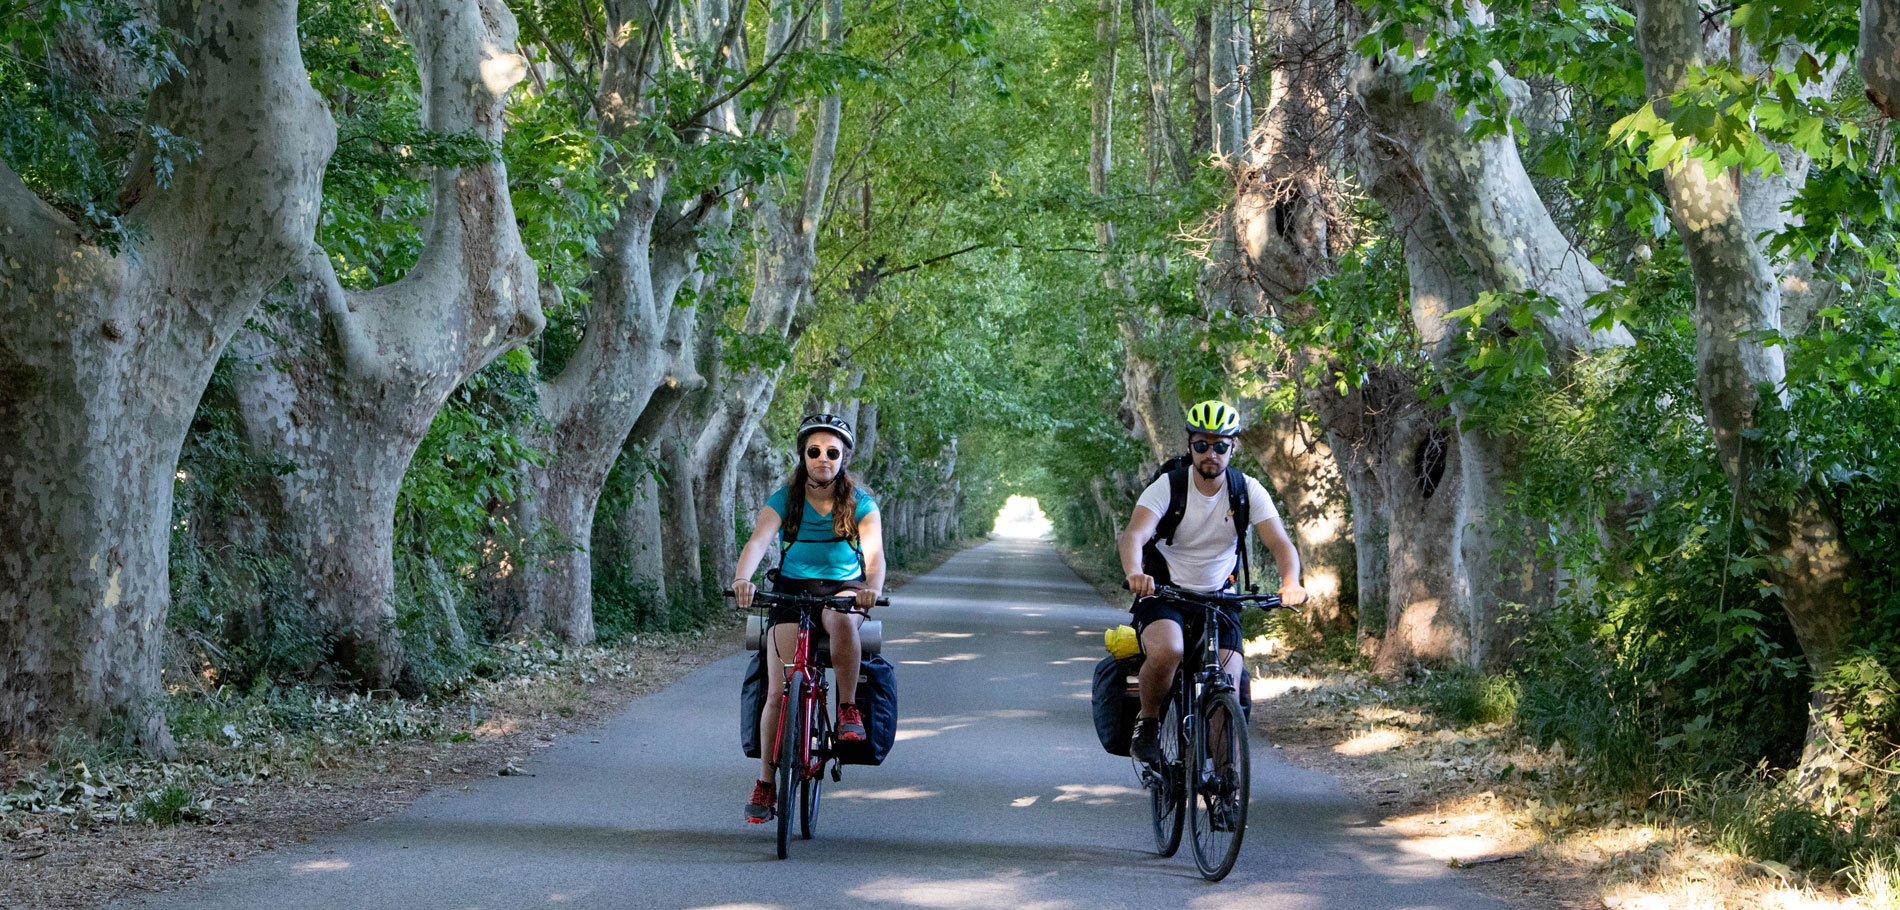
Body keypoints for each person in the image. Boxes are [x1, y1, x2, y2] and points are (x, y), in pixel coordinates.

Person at [1117, 400, 1308, 764]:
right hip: (1164, 592)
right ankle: (1150, 722)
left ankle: (1225, 789)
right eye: (1202, 444)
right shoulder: (1168, 486)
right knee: (1168, 651)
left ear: (1233, 447)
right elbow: (1134, 536)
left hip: (1220, 599)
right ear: (1189, 445)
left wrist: (1291, 581)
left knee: (1228, 687)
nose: (1211, 454)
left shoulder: (1247, 490)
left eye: (1221, 445)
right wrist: (1134, 573)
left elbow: (1281, 543)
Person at [730, 413, 885, 823]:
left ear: (843, 459)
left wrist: (871, 587)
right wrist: (742, 578)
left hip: (843, 589)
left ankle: (847, 707)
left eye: (832, 453)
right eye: (814, 451)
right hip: (791, 589)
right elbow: (758, 540)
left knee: (842, 620)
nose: (823, 459)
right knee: (779, 690)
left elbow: (875, 557)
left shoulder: (862, 504)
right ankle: (766, 783)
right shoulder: (786, 499)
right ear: (803, 456)